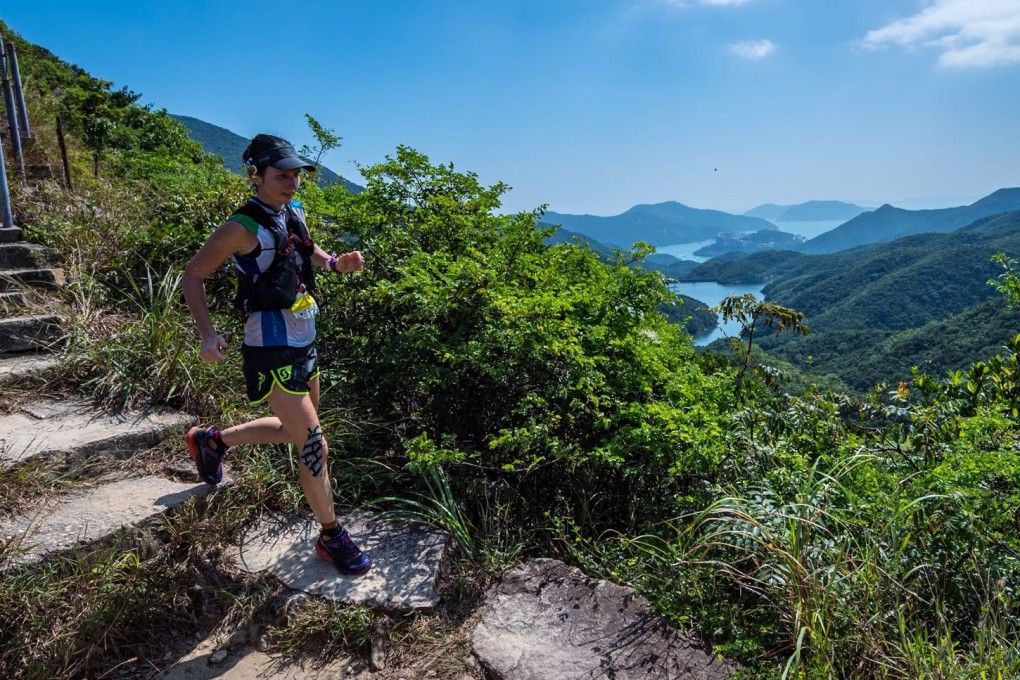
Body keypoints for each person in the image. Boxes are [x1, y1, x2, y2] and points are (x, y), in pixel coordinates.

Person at [182, 133, 371, 576]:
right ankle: (330, 535)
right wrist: (208, 335)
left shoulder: (293, 211)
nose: (292, 183)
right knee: (313, 443)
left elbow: (305, 249)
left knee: (297, 433)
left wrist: (334, 264)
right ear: (257, 175)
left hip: (304, 335)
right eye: (281, 175)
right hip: (269, 343)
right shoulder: (239, 228)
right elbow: (194, 275)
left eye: (295, 175)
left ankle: (211, 441)